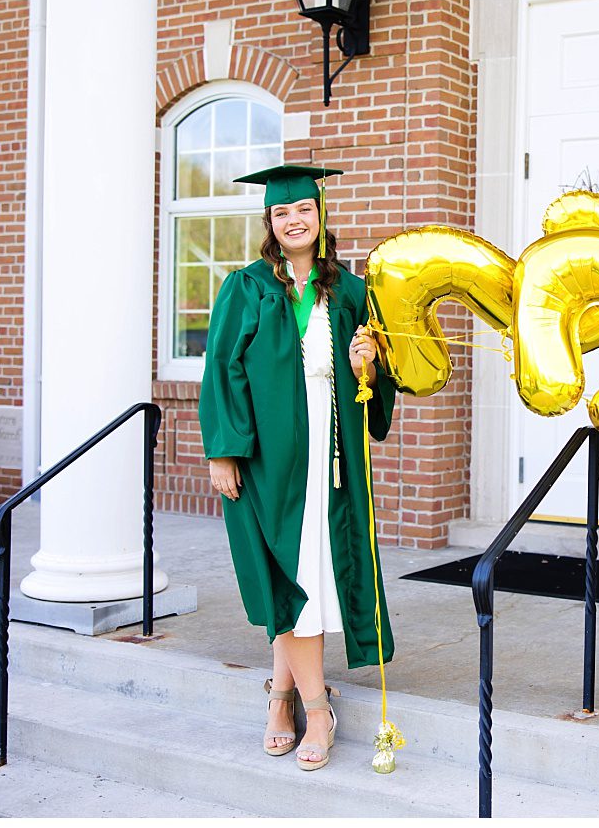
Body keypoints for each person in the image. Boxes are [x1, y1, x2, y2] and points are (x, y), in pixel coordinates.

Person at [197, 164, 399, 771]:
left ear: (321, 215)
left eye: (303, 211)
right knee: (283, 573)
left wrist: (369, 363)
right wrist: (223, 449)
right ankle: (318, 707)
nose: (293, 221)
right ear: (269, 222)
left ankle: (281, 697)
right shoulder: (247, 286)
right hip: (266, 457)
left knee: (307, 573)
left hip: (329, 459)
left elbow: (374, 389)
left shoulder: (352, 291)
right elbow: (223, 369)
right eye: (281, 213)